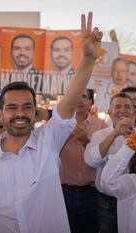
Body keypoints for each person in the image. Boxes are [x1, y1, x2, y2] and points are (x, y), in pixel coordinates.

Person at [0, 12, 103, 233]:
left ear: (35, 111)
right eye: (12, 108)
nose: (20, 113)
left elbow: (67, 105)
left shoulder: (48, 142)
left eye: (27, 107)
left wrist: (88, 60)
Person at [84, 92, 135, 233]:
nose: (122, 110)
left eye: (127, 106)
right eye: (117, 106)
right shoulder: (100, 135)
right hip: (108, 202)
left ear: (134, 111)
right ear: (109, 111)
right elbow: (90, 160)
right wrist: (114, 134)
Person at [59, 88, 107, 233]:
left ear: (90, 103)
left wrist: (85, 141)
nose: (79, 100)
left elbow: (105, 159)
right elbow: (49, 154)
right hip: (64, 192)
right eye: (76, 96)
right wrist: (63, 138)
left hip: (92, 193)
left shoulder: (101, 126)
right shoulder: (59, 126)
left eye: (84, 97)